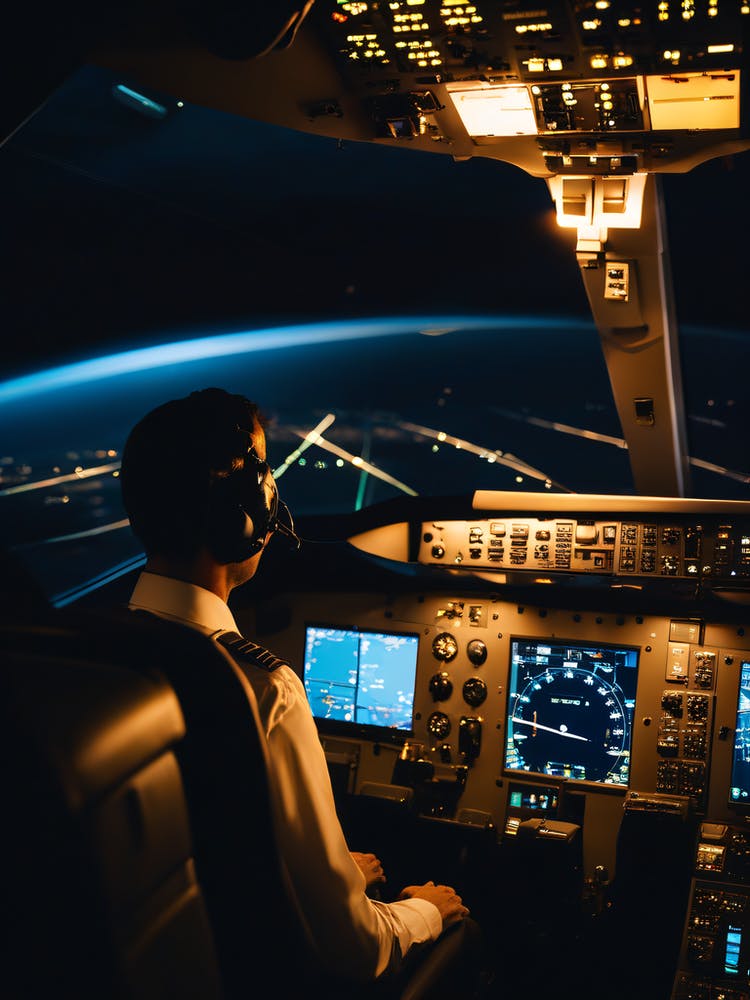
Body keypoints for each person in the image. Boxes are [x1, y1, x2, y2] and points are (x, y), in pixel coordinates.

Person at [119, 386, 477, 990]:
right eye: (264, 479)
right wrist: (422, 911)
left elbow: (204, 850)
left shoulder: (97, 651)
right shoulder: (263, 692)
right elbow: (356, 950)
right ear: (243, 510)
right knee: (464, 929)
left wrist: (330, 878)